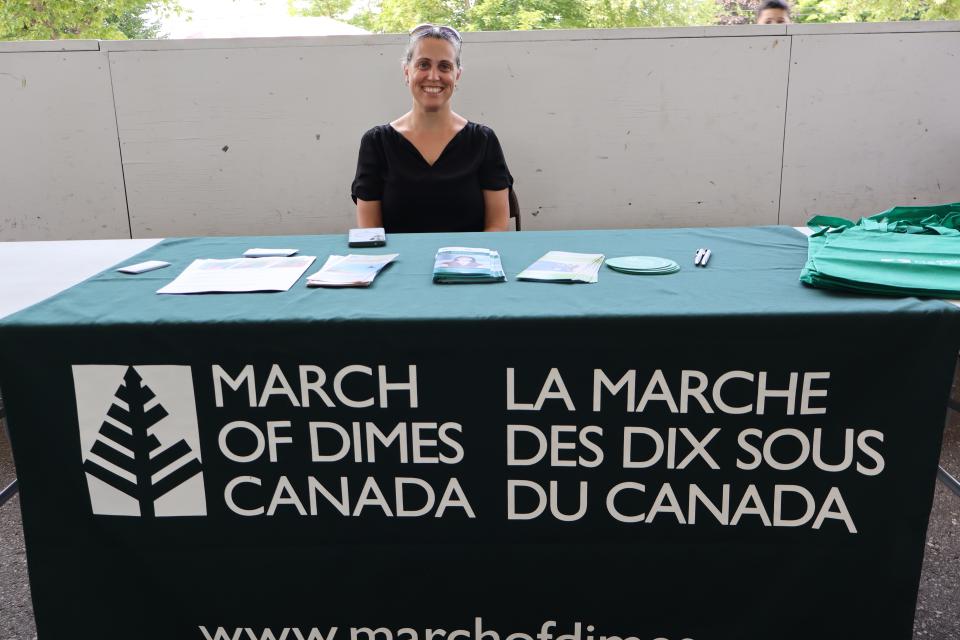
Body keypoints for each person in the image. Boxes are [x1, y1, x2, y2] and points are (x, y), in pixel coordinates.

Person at [351, 24, 513, 233]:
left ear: (457, 76)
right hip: (401, 265)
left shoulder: (483, 140)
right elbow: (369, 233)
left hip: (468, 264)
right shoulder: (376, 143)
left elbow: (497, 226)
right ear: (406, 72)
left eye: (445, 66)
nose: (434, 76)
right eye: (423, 64)